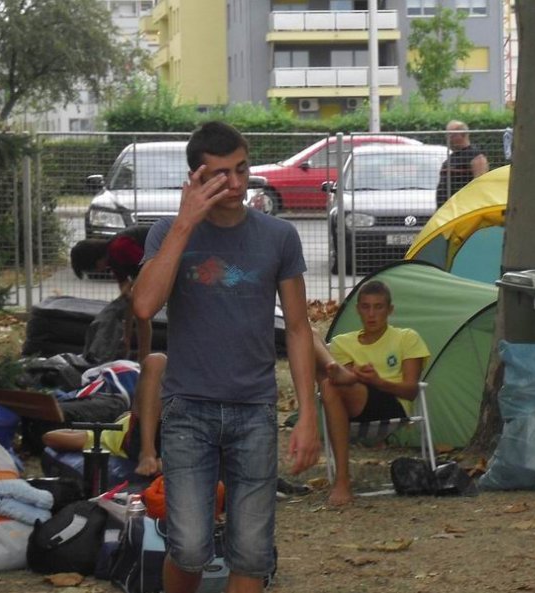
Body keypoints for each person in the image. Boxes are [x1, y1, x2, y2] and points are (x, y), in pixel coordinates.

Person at [132, 121, 319, 593]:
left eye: (241, 169)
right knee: (190, 549)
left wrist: (307, 414)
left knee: (252, 553)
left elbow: (298, 328)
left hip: (254, 409)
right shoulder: (167, 233)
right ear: (195, 178)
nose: (235, 185)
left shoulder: (278, 236)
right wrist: (185, 221)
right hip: (187, 409)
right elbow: (143, 305)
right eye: (219, 175)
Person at [319, 280, 430, 506]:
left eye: (378, 307)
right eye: (366, 307)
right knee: (309, 336)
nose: (372, 314)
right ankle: (347, 375)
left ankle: (342, 482)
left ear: (390, 310)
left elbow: (410, 391)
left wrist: (378, 382)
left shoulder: (406, 337)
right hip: (349, 406)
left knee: (331, 385)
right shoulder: (342, 343)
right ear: (358, 309)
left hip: (391, 402)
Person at [42, 352, 166, 477]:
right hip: (146, 439)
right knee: (155, 361)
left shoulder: (106, 431)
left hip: (170, 428)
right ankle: (148, 453)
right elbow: (50, 438)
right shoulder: (102, 437)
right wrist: (94, 429)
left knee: (157, 362)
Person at [70, 225, 153, 360]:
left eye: (91, 268)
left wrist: (132, 286)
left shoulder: (119, 247)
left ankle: (144, 359)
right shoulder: (113, 260)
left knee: (142, 312)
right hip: (154, 264)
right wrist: (126, 337)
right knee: (138, 309)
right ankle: (141, 357)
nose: (95, 272)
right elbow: (128, 300)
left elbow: (151, 266)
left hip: (171, 251)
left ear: (96, 260)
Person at [435, 120, 489, 207]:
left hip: (461, 208)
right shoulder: (450, 158)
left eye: (451, 135)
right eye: (447, 135)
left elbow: (480, 185)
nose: (448, 138)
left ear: (462, 135)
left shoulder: (476, 157)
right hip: (445, 209)